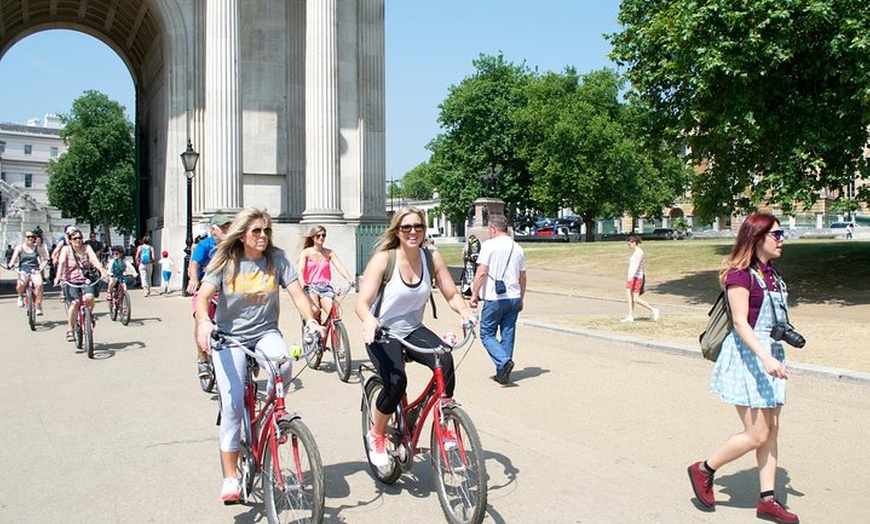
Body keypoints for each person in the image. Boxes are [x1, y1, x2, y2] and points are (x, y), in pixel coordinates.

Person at [194, 208, 323, 503]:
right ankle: (230, 476)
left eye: (266, 231)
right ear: (242, 234)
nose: (263, 236)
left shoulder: (276, 259)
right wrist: (204, 321)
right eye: (256, 231)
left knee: (285, 366)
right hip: (229, 337)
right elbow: (202, 297)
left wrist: (311, 321)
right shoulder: (226, 260)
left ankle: (271, 413)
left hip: (266, 333)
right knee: (233, 402)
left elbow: (299, 294)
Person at [687, 213, 800, 524]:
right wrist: (765, 357)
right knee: (757, 433)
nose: (782, 240)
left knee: (772, 430)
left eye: (781, 234)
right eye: (776, 234)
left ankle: (767, 500)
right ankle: (704, 469)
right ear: (757, 237)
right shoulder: (740, 275)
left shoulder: (773, 276)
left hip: (771, 357)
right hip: (749, 360)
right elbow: (739, 323)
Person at [355, 206, 475, 469]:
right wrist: (369, 319)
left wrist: (465, 311)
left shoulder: (431, 257)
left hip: (411, 327)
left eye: (418, 227)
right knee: (396, 382)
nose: (412, 232)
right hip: (382, 330)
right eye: (406, 227)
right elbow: (362, 302)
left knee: (445, 360)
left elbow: (452, 294)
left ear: (424, 229)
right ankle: (377, 434)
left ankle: (443, 424)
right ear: (397, 231)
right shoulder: (384, 259)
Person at [469, 214, 527, 385]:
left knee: (486, 333)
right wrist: (522, 297)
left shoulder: (489, 246)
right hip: (513, 295)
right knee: (508, 333)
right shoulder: (517, 248)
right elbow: (522, 276)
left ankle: (503, 361)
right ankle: (503, 373)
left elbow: (481, 272)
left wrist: (474, 294)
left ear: (493, 229)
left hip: (495, 297)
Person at [188, 214, 233, 378]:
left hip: (228, 291)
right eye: (224, 227)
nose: (227, 230)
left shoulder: (234, 246)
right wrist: (193, 279)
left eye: (229, 226)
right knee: (201, 320)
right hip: (207, 290)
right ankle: (202, 360)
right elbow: (194, 264)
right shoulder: (204, 245)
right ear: (213, 230)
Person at [54, 228, 108, 343]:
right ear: (70, 240)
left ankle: (89, 316)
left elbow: (94, 260)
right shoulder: (66, 249)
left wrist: (102, 271)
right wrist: (58, 276)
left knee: (90, 297)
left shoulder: (86, 248)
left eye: (80, 238)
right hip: (71, 281)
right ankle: (70, 329)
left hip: (86, 279)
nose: (78, 240)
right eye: (75, 238)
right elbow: (62, 262)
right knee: (75, 302)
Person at [296, 225, 355, 325]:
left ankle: (335, 336)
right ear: (313, 237)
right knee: (315, 310)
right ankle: (312, 332)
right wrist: (303, 284)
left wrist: (350, 279)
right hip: (310, 286)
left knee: (335, 312)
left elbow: (339, 266)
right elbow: (300, 270)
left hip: (325, 287)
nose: (321, 238)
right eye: (318, 236)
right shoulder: (306, 253)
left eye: (323, 235)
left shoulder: (329, 253)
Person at [9, 230, 49, 315]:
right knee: (21, 284)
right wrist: (11, 264)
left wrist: (43, 265)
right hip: (23, 269)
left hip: (34, 270)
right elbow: (14, 258)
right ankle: (20, 296)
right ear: (25, 238)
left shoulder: (38, 248)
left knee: (39, 284)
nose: (30, 238)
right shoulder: (19, 247)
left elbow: (44, 259)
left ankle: (38, 306)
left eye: (32, 237)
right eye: (28, 237)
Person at [622, 235, 659, 323]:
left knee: (635, 298)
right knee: (629, 295)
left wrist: (632, 276)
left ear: (634, 243)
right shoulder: (635, 252)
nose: (629, 245)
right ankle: (630, 315)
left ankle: (653, 310)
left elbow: (637, 264)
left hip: (636, 277)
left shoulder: (639, 252)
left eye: (629, 244)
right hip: (631, 276)